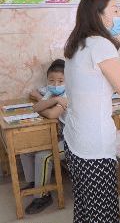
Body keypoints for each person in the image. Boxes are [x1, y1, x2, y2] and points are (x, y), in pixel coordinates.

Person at [63, 0, 120, 222]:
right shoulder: (100, 45)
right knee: (103, 215)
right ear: (99, 15)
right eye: (115, 10)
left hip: (74, 139)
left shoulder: (77, 44)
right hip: (93, 146)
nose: (119, 14)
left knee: (85, 210)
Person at [20, 59, 68, 214]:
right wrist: (53, 100)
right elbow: (36, 107)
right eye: (51, 81)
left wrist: (46, 105)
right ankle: (35, 183)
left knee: (44, 156)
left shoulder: (69, 94)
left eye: (60, 81)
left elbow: (52, 113)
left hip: (73, 142)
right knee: (26, 147)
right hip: (60, 136)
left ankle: (42, 196)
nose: (55, 85)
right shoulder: (53, 93)